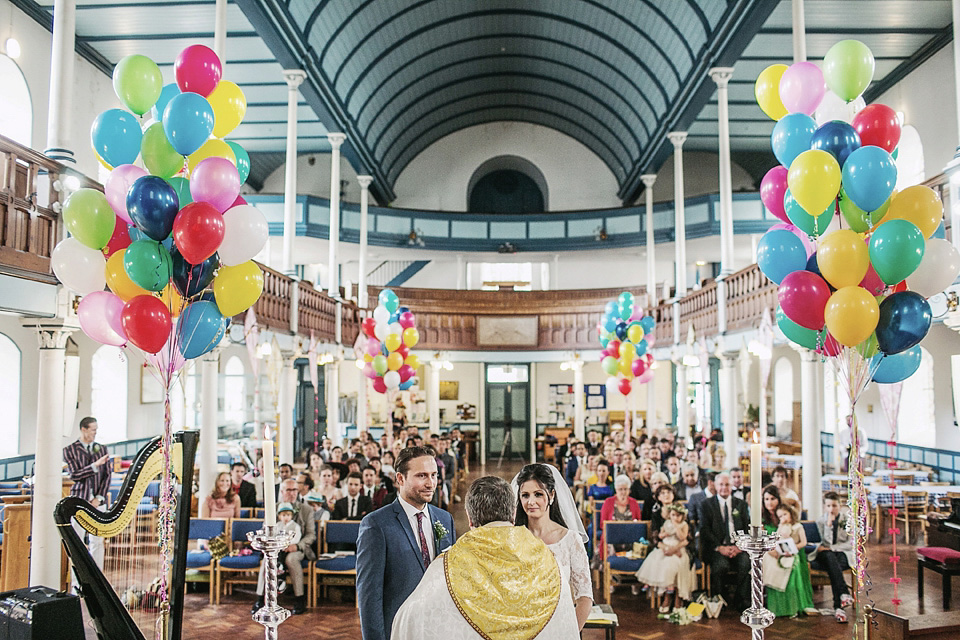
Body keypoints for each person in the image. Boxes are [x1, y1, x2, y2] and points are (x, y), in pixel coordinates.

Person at [392, 475, 579, 639]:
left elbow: (408, 622)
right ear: (513, 513)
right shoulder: (549, 562)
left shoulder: (445, 567)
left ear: (470, 518)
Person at [357, 446, 457, 640]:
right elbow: (369, 595)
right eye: (422, 476)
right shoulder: (377, 524)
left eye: (434, 475)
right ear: (400, 479)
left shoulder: (445, 519)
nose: (431, 483)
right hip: (398, 629)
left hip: (438, 628)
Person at [513, 463, 592, 630]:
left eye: (538, 494)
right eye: (525, 495)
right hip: (521, 628)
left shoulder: (570, 540)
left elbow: (584, 597)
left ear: (552, 495)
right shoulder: (513, 539)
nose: (531, 502)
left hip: (561, 627)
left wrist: (569, 633)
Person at [252, 478, 316, 615]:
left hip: (297, 548)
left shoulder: (306, 509)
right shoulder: (273, 508)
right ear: (282, 491)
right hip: (277, 548)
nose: (292, 493)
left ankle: (299, 599)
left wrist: (297, 546)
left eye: (294, 490)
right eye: (288, 490)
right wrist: (275, 546)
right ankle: (260, 599)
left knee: (291, 559)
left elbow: (311, 535)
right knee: (266, 561)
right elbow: (266, 530)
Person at [63, 416, 112, 570]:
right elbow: (75, 475)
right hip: (79, 499)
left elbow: (107, 475)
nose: (95, 433)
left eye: (96, 430)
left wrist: (99, 497)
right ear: (83, 429)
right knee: (77, 540)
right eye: (93, 430)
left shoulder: (102, 448)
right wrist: (94, 465)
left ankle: (98, 576)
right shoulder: (69, 450)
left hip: (98, 501)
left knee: (97, 541)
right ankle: (79, 577)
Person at [700, 472, 751, 610]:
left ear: (732, 486)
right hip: (716, 548)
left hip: (737, 547)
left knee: (746, 562)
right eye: (721, 484)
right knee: (720, 565)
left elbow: (747, 528)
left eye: (727, 484)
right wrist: (719, 547)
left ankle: (742, 600)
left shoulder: (740, 504)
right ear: (715, 486)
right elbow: (705, 530)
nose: (724, 488)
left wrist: (740, 547)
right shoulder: (706, 505)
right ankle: (720, 599)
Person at [636, 502, 696, 612]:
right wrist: (664, 536)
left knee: (675, 564)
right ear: (669, 515)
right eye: (673, 515)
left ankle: (678, 598)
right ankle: (667, 597)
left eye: (678, 515)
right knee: (662, 563)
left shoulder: (684, 525)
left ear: (683, 516)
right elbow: (659, 536)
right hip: (665, 548)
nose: (675, 518)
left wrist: (677, 527)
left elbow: (683, 538)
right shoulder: (666, 523)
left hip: (679, 549)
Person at [762, 500, 814, 617]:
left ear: (790, 513)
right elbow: (776, 539)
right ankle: (776, 606)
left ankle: (792, 607)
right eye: (780, 516)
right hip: (781, 552)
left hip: (792, 553)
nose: (783, 518)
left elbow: (804, 542)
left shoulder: (797, 526)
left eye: (785, 514)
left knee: (789, 568)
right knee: (769, 562)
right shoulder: (781, 526)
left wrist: (793, 548)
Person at [809, 491, 855, 623]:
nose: (831, 509)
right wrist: (828, 526)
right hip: (824, 555)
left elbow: (850, 542)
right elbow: (823, 544)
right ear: (824, 507)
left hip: (841, 553)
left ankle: (838, 606)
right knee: (829, 556)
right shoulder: (820, 521)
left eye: (834, 506)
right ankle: (843, 594)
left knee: (833, 562)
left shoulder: (847, 521)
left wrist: (834, 548)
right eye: (828, 506)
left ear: (840, 506)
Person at [274, 502, 302, 594]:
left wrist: (288, 545)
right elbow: (275, 536)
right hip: (280, 548)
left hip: (289, 548)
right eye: (283, 515)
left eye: (288, 515)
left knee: (289, 559)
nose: (286, 517)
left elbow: (296, 537)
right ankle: (278, 580)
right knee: (277, 558)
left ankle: (283, 581)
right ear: (279, 516)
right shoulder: (278, 526)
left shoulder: (295, 526)